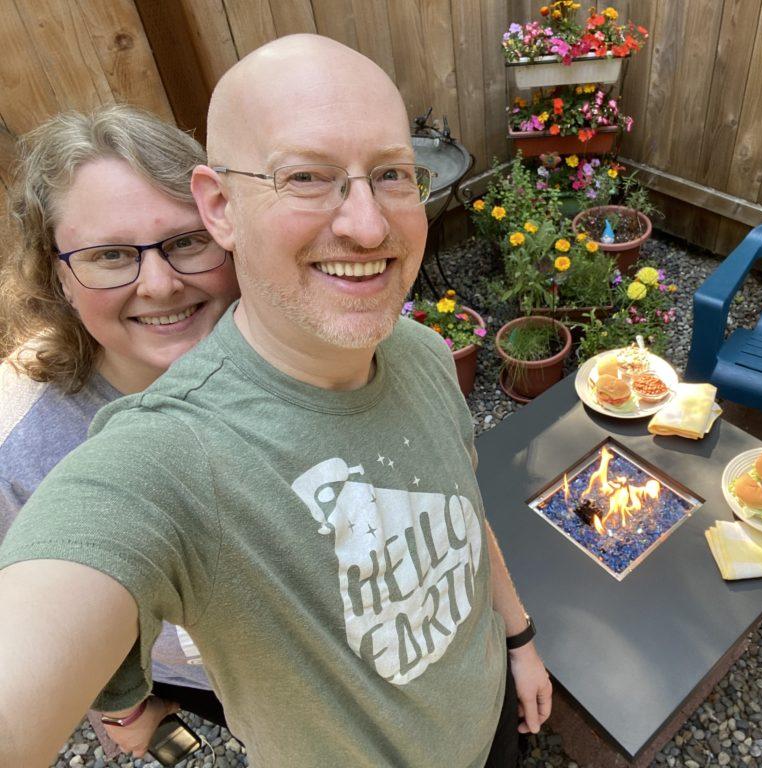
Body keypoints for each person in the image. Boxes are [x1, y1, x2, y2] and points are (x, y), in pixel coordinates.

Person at [0, 34, 551, 768]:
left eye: (392, 173)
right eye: (305, 177)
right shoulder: (150, 459)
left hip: (488, 724)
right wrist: (128, 708)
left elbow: (459, 512)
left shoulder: (414, 353)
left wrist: (517, 637)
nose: (365, 224)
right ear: (223, 205)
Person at [0, 105, 239, 757]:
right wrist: (124, 704)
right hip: (195, 674)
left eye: (187, 241)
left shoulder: (290, 355)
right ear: (57, 275)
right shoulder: (26, 452)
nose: (160, 284)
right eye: (110, 255)